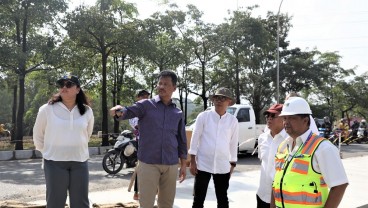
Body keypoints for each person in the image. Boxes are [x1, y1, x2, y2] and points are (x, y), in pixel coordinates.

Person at [109, 70, 187, 208]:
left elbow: (181, 140)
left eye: (166, 84)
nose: (161, 87)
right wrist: (118, 112)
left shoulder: (178, 112)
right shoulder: (146, 105)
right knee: (146, 203)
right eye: (160, 83)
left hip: (171, 163)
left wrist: (184, 164)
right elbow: (128, 111)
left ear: (174, 88)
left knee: (167, 203)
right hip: (148, 163)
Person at [271, 97, 348, 208]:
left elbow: (340, 185)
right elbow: (275, 182)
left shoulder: (323, 148)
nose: (286, 122)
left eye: (291, 118)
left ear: (305, 120)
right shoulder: (282, 146)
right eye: (284, 118)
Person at [33, 74, 94, 208]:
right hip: (54, 163)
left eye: (69, 84)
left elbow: (87, 135)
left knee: (81, 203)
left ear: (78, 89)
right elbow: (37, 135)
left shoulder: (87, 111)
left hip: (80, 162)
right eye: (61, 85)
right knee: (55, 203)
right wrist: (49, 152)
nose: (64, 88)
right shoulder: (46, 109)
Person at [188, 87, 239, 208]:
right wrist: (193, 161)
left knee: (222, 199)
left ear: (229, 102)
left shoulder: (233, 121)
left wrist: (232, 164)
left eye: (223, 98)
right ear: (213, 100)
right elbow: (195, 139)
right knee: (198, 199)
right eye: (217, 98)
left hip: (222, 165)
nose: (219, 100)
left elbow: (233, 143)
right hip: (203, 164)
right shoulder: (203, 116)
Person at [256, 104, 288, 208]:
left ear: (284, 118)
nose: (269, 118)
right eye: (267, 116)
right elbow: (263, 162)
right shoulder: (262, 138)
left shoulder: (290, 140)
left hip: (281, 198)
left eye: (273, 116)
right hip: (262, 194)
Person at [128, 89, 150, 201]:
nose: (145, 98)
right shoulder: (135, 109)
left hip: (153, 141)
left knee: (153, 166)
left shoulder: (152, 107)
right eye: (142, 96)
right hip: (141, 141)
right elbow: (135, 124)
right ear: (138, 97)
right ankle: (137, 192)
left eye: (147, 96)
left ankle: (153, 190)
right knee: (141, 165)